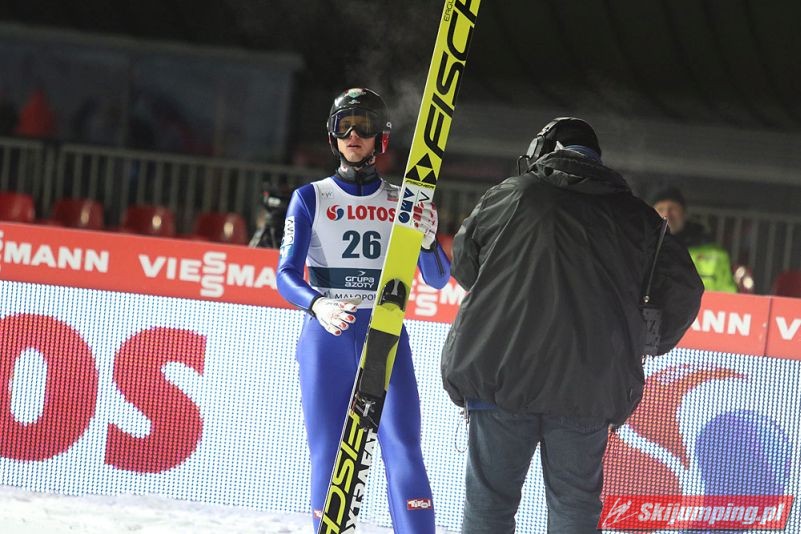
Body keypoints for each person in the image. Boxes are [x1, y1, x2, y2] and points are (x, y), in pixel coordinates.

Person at [440, 117, 704, 533]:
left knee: (490, 505)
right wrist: (649, 339)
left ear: (546, 149)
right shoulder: (638, 217)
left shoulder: (511, 194)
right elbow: (685, 289)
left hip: (501, 374)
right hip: (590, 386)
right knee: (575, 508)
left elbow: (465, 266)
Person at [277, 87, 451, 533]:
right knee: (329, 453)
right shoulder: (310, 197)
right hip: (328, 335)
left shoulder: (403, 200)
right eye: (344, 126)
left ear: (381, 139)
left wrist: (429, 241)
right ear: (332, 136)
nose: (353, 135)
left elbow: (436, 278)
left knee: (403, 447)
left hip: (385, 333)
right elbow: (285, 275)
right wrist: (318, 305)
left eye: (364, 126)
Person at [651, 186, 738, 292]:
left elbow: (729, 295)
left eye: (673, 209)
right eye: (660, 209)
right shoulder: (643, 250)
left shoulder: (716, 255)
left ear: (684, 214)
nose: (667, 214)